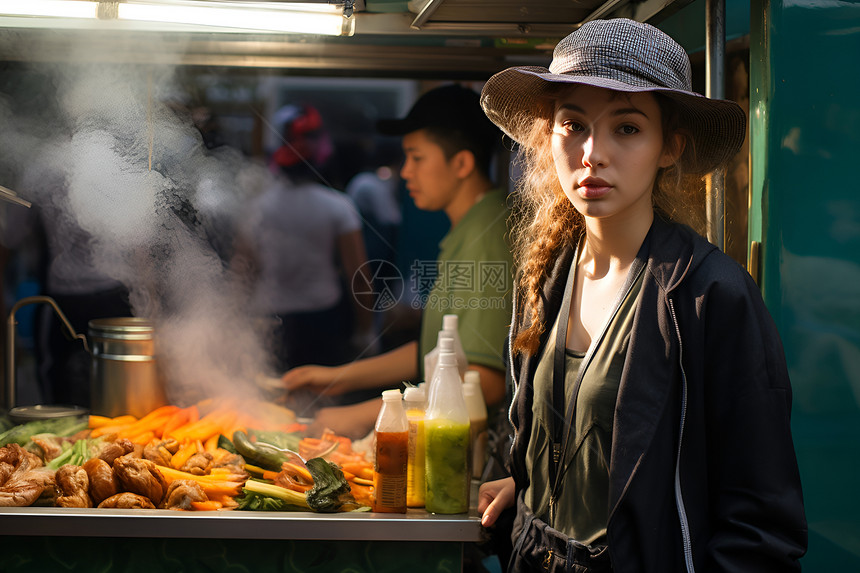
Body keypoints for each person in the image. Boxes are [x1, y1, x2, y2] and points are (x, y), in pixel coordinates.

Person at [476, 19, 807, 572]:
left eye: (626, 128)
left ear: (669, 147)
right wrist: (527, 488)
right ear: (547, 136)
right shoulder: (543, 277)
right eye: (573, 125)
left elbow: (761, 525)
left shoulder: (710, 296)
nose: (592, 154)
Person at [282, 84, 514, 438]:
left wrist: (360, 416)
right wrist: (336, 379)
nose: (405, 172)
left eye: (417, 158)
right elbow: (434, 350)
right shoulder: (472, 227)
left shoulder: (487, 240)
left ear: (462, 163)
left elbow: (484, 383)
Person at [233, 104, 374, 374]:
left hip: (268, 319)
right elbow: (358, 273)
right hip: (321, 319)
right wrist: (365, 331)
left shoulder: (257, 207)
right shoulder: (337, 206)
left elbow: (244, 273)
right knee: (321, 399)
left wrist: (234, 325)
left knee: (268, 400)